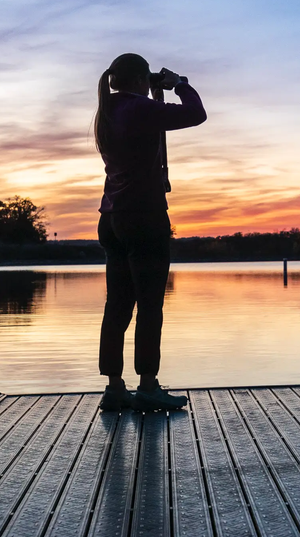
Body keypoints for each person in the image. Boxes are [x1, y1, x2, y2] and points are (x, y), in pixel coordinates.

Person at [93, 53, 206, 412]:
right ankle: (148, 386)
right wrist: (180, 84)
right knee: (150, 306)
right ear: (141, 78)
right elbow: (195, 113)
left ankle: (114, 387)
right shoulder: (138, 110)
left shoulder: (107, 110)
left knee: (118, 305)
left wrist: (152, 90)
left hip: (111, 218)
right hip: (143, 216)